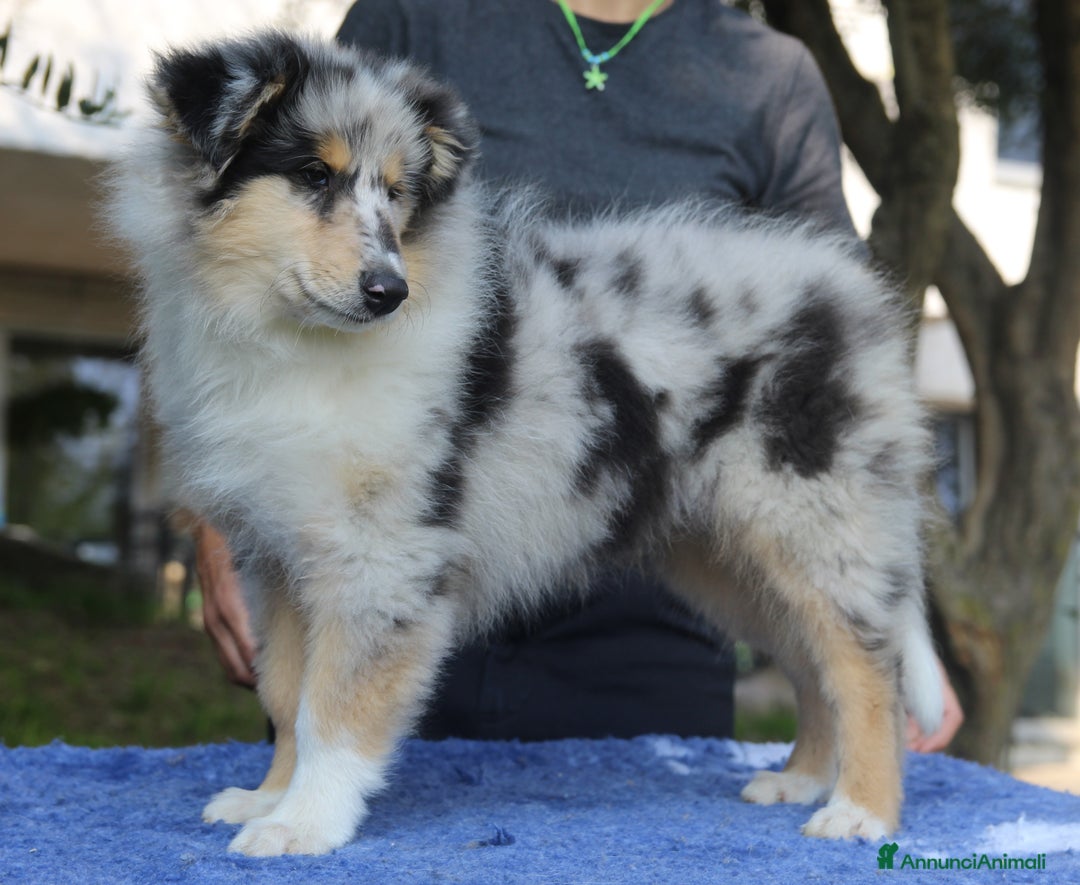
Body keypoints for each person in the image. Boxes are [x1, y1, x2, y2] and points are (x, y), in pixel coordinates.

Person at [196, 0, 963, 751]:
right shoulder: (415, 16)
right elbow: (249, 269)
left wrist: (884, 611)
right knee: (328, 834)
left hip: (646, 610)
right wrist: (224, 513)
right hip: (379, 563)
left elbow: (832, 385)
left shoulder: (769, 73)